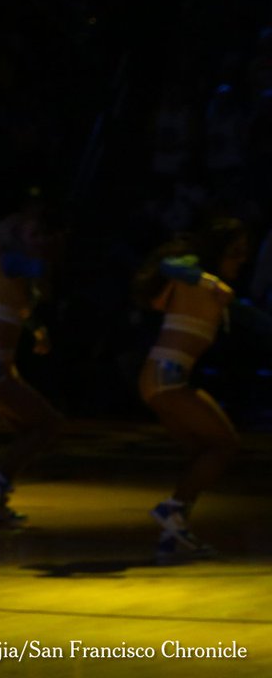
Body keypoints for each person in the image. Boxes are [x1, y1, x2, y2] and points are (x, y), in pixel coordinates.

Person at [133, 216, 247, 562]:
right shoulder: (195, 278)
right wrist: (208, 280)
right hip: (167, 378)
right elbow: (169, 265)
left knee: (201, 450)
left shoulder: (206, 287)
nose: (241, 260)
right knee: (225, 445)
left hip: (158, 378)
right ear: (218, 251)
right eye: (235, 252)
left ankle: (174, 529)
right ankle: (173, 510)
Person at [0, 208, 62, 530]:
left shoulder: (9, 270)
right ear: (15, 237)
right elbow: (34, 267)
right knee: (48, 426)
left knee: (31, 433)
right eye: (34, 234)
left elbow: (21, 309)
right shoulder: (7, 261)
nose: (40, 240)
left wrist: (37, 330)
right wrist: (52, 250)